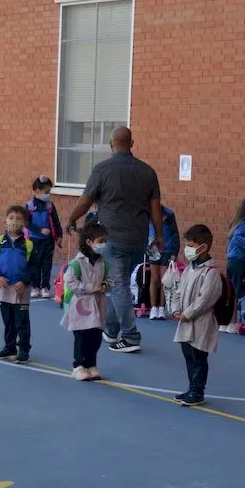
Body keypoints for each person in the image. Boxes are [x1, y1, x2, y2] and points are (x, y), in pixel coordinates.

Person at [67, 126, 164, 354]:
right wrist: (159, 236)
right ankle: (110, 329)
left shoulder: (102, 170)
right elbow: (156, 209)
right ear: (132, 143)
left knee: (118, 286)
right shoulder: (148, 172)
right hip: (138, 239)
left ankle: (130, 336)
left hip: (111, 238)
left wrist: (71, 219)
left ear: (111, 144)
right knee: (116, 284)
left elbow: (85, 200)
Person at [173, 224, 222, 407]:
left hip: (201, 323)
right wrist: (176, 308)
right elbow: (178, 290)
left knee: (198, 356)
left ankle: (198, 391)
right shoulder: (188, 269)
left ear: (203, 247)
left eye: (191, 246)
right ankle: (191, 387)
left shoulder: (211, 273)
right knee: (188, 355)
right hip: (185, 321)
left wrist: (188, 313)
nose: (188, 250)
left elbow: (205, 300)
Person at [61, 222, 110, 381]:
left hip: (98, 304)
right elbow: (70, 282)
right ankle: (78, 366)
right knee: (82, 336)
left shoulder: (103, 262)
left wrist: (105, 286)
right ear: (89, 242)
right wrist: (91, 287)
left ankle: (91, 364)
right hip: (82, 305)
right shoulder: (77, 263)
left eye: (105, 241)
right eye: (101, 241)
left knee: (95, 337)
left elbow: (110, 280)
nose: (104, 244)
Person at [0, 206, 35, 364]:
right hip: (4, 289)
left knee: (22, 321)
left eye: (19, 218)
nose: (15, 221)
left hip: (21, 289)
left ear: (25, 222)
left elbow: (34, 268)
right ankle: (10, 346)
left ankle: (24, 349)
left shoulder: (29, 245)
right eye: (11, 218)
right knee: (8, 320)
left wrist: (24, 281)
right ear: (5, 221)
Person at [222, 198, 245, 334]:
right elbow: (237, 238)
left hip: (231, 258)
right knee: (236, 291)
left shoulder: (236, 223)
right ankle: (232, 322)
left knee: (230, 290)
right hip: (238, 259)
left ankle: (225, 322)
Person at [26, 175, 63, 299]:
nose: (48, 194)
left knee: (47, 264)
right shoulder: (30, 206)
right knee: (35, 264)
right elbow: (26, 223)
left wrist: (59, 235)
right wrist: (40, 230)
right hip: (35, 239)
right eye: (46, 192)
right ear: (37, 190)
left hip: (48, 241)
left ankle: (45, 287)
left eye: (49, 192)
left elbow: (56, 221)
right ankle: (35, 286)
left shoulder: (50, 205)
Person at [147, 204, 180, 320]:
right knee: (154, 278)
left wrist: (175, 252)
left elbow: (175, 233)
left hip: (167, 249)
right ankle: (153, 307)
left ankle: (162, 307)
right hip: (153, 249)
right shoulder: (146, 212)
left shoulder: (168, 213)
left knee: (164, 279)